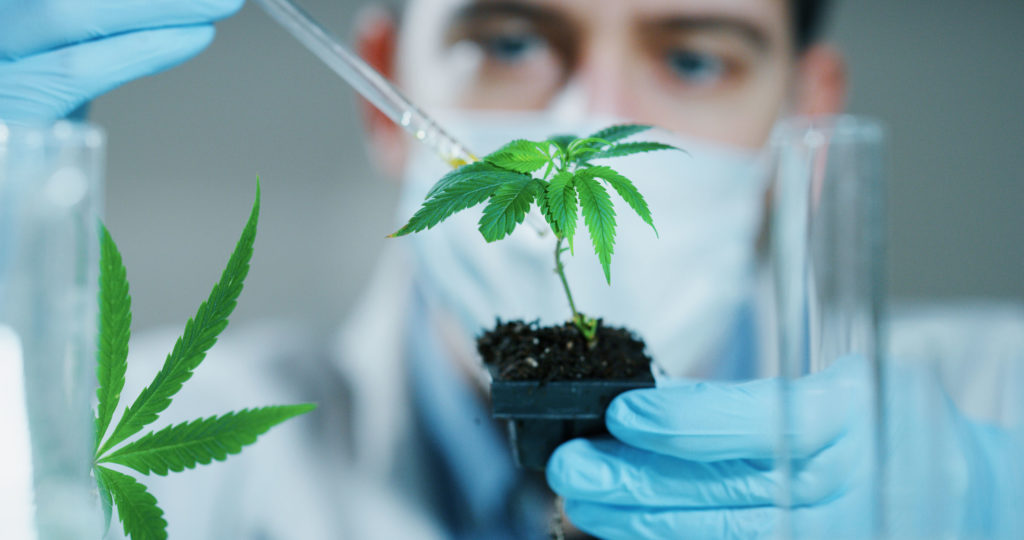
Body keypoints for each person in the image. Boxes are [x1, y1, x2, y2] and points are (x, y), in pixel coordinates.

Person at [2, 1, 1022, 539]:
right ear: (382, 89)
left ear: (810, 107)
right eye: (510, 38)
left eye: (695, 57)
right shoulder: (89, 441)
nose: (588, 113)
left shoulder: (987, 408)